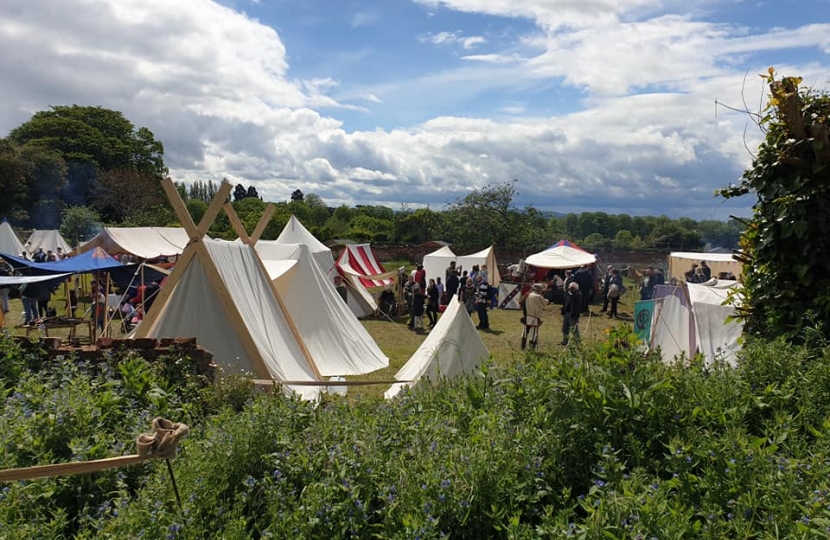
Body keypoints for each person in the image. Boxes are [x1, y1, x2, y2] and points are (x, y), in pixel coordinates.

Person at [521, 283, 547, 350]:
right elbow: (545, 302)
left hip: (526, 316)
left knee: (525, 332)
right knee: (533, 333)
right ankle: (531, 348)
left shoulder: (527, 295)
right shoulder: (538, 296)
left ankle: (523, 346)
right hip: (534, 317)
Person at [561, 282, 582, 346]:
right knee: (565, 329)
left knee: (574, 329)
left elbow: (575, 297)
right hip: (566, 313)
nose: (569, 289)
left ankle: (577, 342)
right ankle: (565, 340)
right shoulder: (568, 294)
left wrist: (572, 292)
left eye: (571, 288)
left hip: (573, 315)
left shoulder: (578, 294)